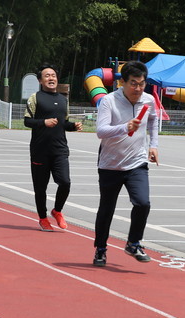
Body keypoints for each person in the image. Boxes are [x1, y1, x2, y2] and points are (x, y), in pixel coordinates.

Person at [92, 61, 159, 266]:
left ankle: (133, 242)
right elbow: (101, 131)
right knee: (107, 209)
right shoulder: (109, 101)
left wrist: (153, 145)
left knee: (143, 203)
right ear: (122, 82)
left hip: (137, 162)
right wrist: (124, 127)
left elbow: (153, 121)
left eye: (141, 84)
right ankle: (101, 249)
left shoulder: (148, 100)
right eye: (133, 84)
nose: (138, 89)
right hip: (110, 164)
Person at [25, 64, 82, 231]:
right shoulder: (35, 98)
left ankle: (57, 210)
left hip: (60, 150)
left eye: (53, 75)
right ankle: (43, 218)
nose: (51, 78)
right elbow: (27, 121)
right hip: (40, 150)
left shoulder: (64, 100)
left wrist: (73, 126)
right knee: (40, 188)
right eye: (47, 76)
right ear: (40, 80)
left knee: (65, 182)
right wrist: (44, 122)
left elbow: (63, 123)